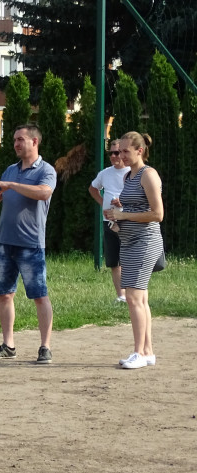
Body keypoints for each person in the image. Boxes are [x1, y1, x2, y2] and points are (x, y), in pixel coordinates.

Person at [0, 123, 57, 364]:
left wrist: (11, 185)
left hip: (31, 243)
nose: (15, 143)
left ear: (35, 142)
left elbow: (44, 193)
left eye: (20, 139)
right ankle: (8, 345)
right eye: (14, 139)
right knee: (5, 295)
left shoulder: (46, 170)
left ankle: (45, 347)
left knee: (39, 296)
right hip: (5, 242)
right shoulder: (10, 170)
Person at [105, 131, 164, 370]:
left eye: (126, 151)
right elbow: (137, 204)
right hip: (129, 242)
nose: (121, 156)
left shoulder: (148, 175)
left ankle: (138, 353)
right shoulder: (130, 176)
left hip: (145, 242)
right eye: (118, 151)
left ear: (140, 151)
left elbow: (157, 214)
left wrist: (124, 214)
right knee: (140, 298)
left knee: (133, 298)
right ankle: (147, 351)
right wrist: (119, 212)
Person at [88, 140, 129, 302]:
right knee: (114, 260)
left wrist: (123, 203)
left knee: (130, 258)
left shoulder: (132, 172)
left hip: (128, 221)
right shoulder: (105, 173)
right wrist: (102, 202)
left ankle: (133, 294)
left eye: (116, 153)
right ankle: (121, 296)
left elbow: (141, 198)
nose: (113, 156)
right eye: (110, 153)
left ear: (124, 153)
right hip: (109, 221)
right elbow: (92, 189)